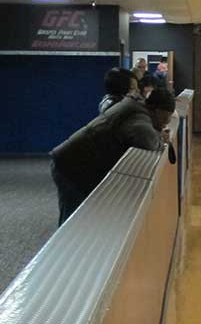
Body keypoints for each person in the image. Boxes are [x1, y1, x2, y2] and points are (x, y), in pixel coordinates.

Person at [50, 89, 175, 225]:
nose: (167, 122)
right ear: (157, 111)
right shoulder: (138, 119)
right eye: (167, 116)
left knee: (81, 216)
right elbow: (148, 141)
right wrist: (160, 138)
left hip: (75, 164)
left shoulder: (135, 109)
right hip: (70, 166)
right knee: (72, 220)